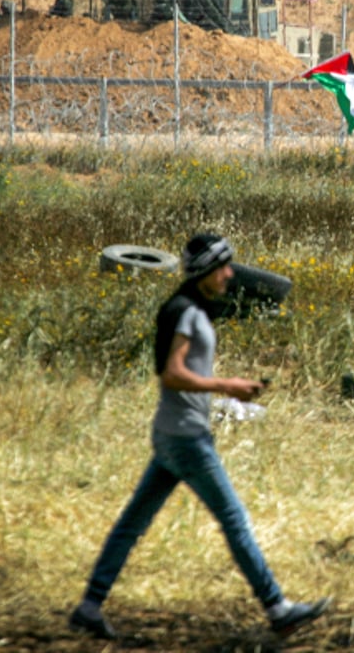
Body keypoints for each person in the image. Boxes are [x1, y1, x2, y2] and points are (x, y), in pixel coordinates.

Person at [69, 233, 331, 641]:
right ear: (206, 270)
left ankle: (89, 606)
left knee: (131, 524)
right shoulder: (188, 312)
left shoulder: (186, 308)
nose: (230, 274)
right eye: (223, 267)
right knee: (233, 520)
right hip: (188, 439)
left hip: (170, 434)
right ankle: (278, 608)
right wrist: (227, 386)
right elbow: (172, 374)